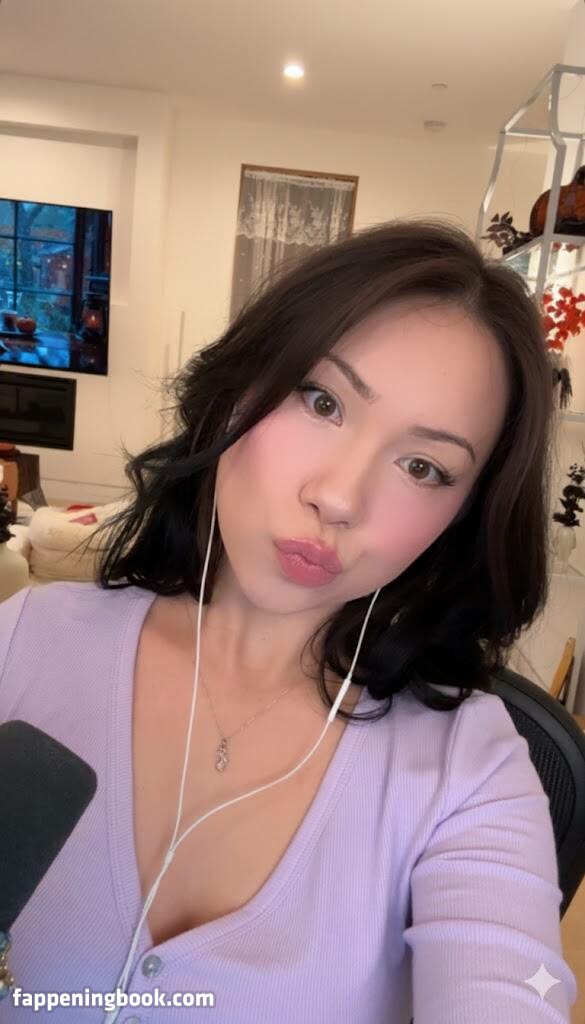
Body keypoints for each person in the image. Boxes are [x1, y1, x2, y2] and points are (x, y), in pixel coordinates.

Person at [0, 219, 577, 1022]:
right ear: (237, 391)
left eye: (422, 466)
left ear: (460, 518)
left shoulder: (469, 772)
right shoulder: (25, 642)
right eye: (321, 401)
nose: (337, 497)